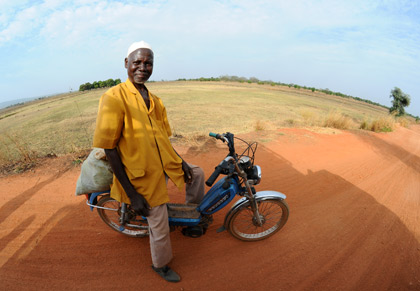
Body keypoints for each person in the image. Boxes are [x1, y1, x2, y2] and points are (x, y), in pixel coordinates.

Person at [92, 41, 205, 283]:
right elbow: (109, 148)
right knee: (159, 220)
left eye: (148, 63)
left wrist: (181, 161)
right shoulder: (114, 97)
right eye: (137, 62)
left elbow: (162, 139)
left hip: (164, 161)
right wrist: (132, 194)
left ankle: (191, 218)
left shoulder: (155, 100)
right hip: (139, 172)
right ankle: (161, 264)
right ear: (126, 64)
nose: (143, 67)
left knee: (196, 174)